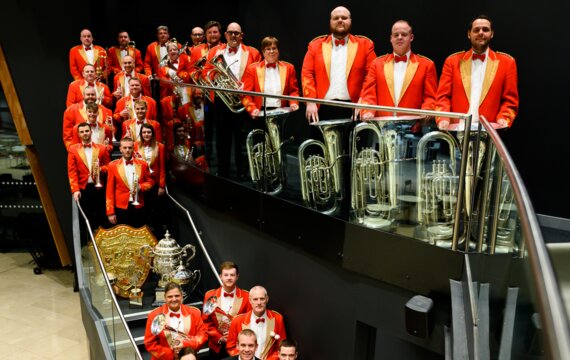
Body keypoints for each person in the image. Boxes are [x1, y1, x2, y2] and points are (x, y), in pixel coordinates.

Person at [435, 14, 519, 130]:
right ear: (469, 34)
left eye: (485, 30)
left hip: (490, 131)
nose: (481, 33)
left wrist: (504, 118)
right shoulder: (452, 61)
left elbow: (510, 101)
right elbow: (442, 97)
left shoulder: (507, 62)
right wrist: (443, 119)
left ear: (492, 34)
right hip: (457, 130)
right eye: (476, 30)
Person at [202, 22, 261, 178]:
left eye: (237, 33)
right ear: (226, 35)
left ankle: (242, 172)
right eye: (230, 33)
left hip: (244, 100)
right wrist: (218, 82)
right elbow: (207, 73)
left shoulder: (253, 52)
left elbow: (258, 74)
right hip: (222, 101)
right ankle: (223, 171)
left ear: (241, 36)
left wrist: (246, 86)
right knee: (222, 138)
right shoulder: (215, 51)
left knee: (242, 139)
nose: (233, 36)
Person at [301, 6, 376, 122]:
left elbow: (371, 76)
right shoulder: (315, 46)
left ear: (350, 21)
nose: (340, 20)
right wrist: (310, 101)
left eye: (344, 18)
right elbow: (307, 73)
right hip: (322, 108)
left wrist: (363, 100)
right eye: (336, 18)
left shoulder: (365, 45)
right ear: (330, 22)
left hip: (355, 107)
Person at [360, 20, 438, 120]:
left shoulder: (427, 65)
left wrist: (426, 111)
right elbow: (368, 94)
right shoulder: (376, 64)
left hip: (413, 128)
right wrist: (368, 112)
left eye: (404, 34)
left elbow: (430, 98)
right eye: (396, 35)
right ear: (391, 38)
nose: (399, 37)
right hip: (381, 127)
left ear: (411, 37)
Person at [144, 282, 208, 359]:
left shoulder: (194, 312)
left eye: (177, 296)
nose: (174, 299)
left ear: (182, 296)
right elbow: (149, 343)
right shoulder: (154, 315)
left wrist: (186, 344)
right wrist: (171, 354)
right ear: (165, 298)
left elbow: (203, 335)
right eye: (170, 296)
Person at [202, 261, 252, 359]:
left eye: (232, 275)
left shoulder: (246, 296)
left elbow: (249, 322)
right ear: (221, 276)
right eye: (226, 275)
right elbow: (205, 322)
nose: (229, 278)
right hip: (216, 346)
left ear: (237, 276)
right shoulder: (210, 295)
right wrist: (219, 338)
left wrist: (234, 335)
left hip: (238, 346)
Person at [67, 122, 110, 233]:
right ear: (79, 134)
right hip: (83, 188)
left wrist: (101, 169)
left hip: (99, 188)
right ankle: (88, 245)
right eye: (82, 132)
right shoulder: (73, 149)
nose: (85, 133)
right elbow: (72, 171)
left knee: (102, 216)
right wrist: (75, 190)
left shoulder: (102, 148)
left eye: (86, 131)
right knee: (86, 218)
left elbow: (108, 166)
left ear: (91, 132)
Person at [241, 36, 300, 118]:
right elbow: (246, 95)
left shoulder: (289, 68)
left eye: (274, 48)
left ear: (278, 50)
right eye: (268, 49)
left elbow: (293, 91)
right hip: (260, 113)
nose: (271, 51)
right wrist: (252, 109)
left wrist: (293, 103)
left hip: (282, 113)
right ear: (263, 52)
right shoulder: (252, 69)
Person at [226, 286, 286, 360]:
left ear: (267, 299)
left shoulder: (277, 319)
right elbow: (231, 347)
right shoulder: (237, 320)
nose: (259, 302)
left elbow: (282, 348)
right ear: (250, 300)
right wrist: (245, 357)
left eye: (262, 299)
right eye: (255, 299)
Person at [106, 137, 154, 228]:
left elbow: (150, 182)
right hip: (121, 207)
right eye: (125, 148)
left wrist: (141, 187)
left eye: (130, 147)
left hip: (139, 206)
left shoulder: (143, 164)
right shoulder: (112, 166)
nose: (127, 150)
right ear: (120, 149)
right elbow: (109, 191)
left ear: (133, 148)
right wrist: (110, 212)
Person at [134, 123, 167, 233]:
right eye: (144, 132)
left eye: (149, 132)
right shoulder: (135, 145)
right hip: (141, 183)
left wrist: (162, 186)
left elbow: (162, 167)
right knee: (143, 210)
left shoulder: (160, 146)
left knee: (156, 211)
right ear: (141, 134)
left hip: (155, 183)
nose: (146, 134)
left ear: (153, 133)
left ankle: (158, 235)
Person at [63, 86, 112, 150]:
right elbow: (67, 136)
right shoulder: (71, 110)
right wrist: (74, 152)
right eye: (88, 94)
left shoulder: (106, 111)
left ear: (96, 96)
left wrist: (107, 148)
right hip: (81, 153)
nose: (90, 96)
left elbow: (110, 134)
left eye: (92, 94)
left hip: (101, 153)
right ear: (83, 96)